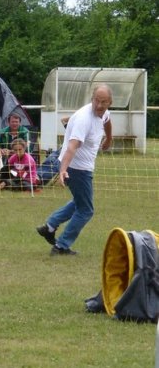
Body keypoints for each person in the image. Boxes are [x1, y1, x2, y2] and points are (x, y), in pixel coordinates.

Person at [36, 85, 113, 256]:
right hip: (75, 169)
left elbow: (107, 120)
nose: (99, 105)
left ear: (110, 102)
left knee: (80, 201)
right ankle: (61, 246)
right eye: (96, 101)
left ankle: (49, 226)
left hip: (80, 167)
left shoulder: (104, 113)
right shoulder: (83, 119)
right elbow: (72, 147)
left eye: (104, 102)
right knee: (86, 210)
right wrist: (63, 170)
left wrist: (109, 138)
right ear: (92, 99)